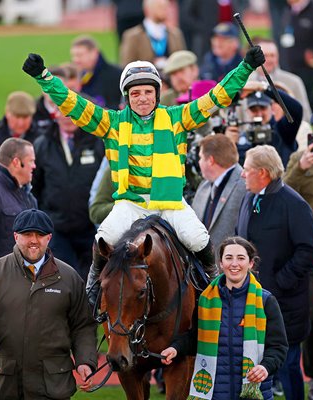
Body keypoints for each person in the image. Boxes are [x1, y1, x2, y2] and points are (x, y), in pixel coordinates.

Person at [23, 44, 266, 305]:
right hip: (131, 203)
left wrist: (246, 67)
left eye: (148, 92)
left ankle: (214, 289)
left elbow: (217, 96)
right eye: (136, 93)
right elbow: (73, 103)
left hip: (170, 202)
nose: (142, 98)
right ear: (127, 96)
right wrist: (44, 77)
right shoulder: (112, 123)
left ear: (157, 94)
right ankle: (93, 289)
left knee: (199, 239)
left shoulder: (178, 118)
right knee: (103, 238)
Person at [0, 208, 97, 399]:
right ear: (16, 236)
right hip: (6, 386)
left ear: (49, 238)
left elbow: (83, 325)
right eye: (28, 234)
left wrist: (85, 360)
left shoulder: (70, 278)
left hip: (53, 386)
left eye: (40, 235)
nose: (34, 240)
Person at [237, 144, 313, 400]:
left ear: (263, 172)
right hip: (251, 301)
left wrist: (281, 280)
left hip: (286, 306)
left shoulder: (293, 204)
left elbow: (310, 250)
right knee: (256, 372)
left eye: (247, 169)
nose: (242, 174)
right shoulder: (249, 197)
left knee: (287, 367)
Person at [160, 236, 288, 400]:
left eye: (241, 258)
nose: (234, 264)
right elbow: (196, 338)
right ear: (221, 263)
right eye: (229, 258)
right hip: (215, 394)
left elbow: (279, 347)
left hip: (255, 393)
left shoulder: (266, 301)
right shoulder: (205, 301)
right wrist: (176, 348)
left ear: (251, 263)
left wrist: (265, 367)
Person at [32, 104, 104, 280]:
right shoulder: (43, 145)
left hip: (90, 228)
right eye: (63, 112)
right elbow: (35, 187)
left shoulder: (97, 142)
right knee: (63, 279)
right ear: (55, 114)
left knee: (93, 280)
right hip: (57, 229)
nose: (68, 117)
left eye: (72, 113)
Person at [192, 134, 247, 251]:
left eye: (201, 157)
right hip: (202, 265)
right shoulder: (204, 185)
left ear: (210, 160)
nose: (199, 162)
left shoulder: (245, 185)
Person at [224, 84, 301, 166]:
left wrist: (262, 87)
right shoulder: (241, 138)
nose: (259, 114)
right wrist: (230, 144)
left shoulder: (282, 131)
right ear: (247, 111)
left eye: (263, 108)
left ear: (272, 108)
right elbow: (233, 167)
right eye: (254, 109)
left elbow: (297, 109)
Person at [248, 37, 312, 121]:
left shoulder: (293, 82)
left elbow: (305, 115)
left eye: (272, 55)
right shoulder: (245, 82)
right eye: (265, 55)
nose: (269, 60)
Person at [119, 0, 186, 69]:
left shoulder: (175, 35)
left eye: (166, 7)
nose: (165, 10)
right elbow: (126, 66)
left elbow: (183, 63)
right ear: (147, 10)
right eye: (160, 7)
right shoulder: (132, 36)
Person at [0, 91, 42, 162]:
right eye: (17, 117)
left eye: (25, 117)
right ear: (7, 113)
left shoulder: (41, 141)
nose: (20, 123)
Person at [70, 35, 122, 109]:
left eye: (79, 55)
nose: (75, 60)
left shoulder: (115, 75)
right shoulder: (79, 75)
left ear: (94, 53)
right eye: (74, 56)